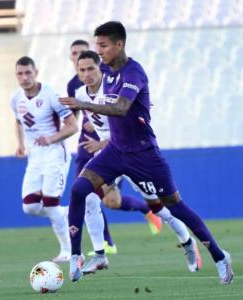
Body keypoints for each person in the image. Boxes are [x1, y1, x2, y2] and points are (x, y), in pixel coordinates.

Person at [59, 21, 233, 284]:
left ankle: (220, 257)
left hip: (144, 154)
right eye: (97, 46)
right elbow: (92, 76)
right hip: (116, 150)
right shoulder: (104, 69)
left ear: (120, 45)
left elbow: (121, 107)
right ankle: (75, 257)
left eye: (103, 46)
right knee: (79, 190)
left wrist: (83, 104)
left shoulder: (133, 73)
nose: (100, 51)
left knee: (174, 206)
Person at [74, 50, 200, 275]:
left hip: (132, 153)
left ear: (100, 68)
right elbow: (100, 119)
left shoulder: (114, 88)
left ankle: (187, 241)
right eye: (81, 70)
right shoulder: (80, 94)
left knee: (159, 207)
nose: (87, 74)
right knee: (90, 197)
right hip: (111, 157)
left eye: (91, 68)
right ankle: (100, 254)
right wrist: (95, 128)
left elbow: (131, 118)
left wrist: (103, 142)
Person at [67, 40, 163, 256]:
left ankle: (160, 216)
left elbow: (120, 105)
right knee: (105, 200)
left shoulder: (109, 80)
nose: (78, 58)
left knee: (102, 198)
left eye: (83, 54)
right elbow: (78, 114)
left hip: (116, 145)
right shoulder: (75, 86)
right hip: (87, 148)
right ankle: (107, 244)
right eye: (74, 54)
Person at [11, 56, 78, 262]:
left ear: (36, 72)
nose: (24, 78)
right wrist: (20, 144)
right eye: (20, 74)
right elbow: (18, 121)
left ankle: (68, 251)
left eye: (28, 73)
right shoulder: (15, 99)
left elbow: (72, 126)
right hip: (35, 158)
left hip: (55, 154)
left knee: (49, 203)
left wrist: (51, 139)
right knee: (30, 207)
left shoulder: (51, 95)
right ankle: (63, 213)